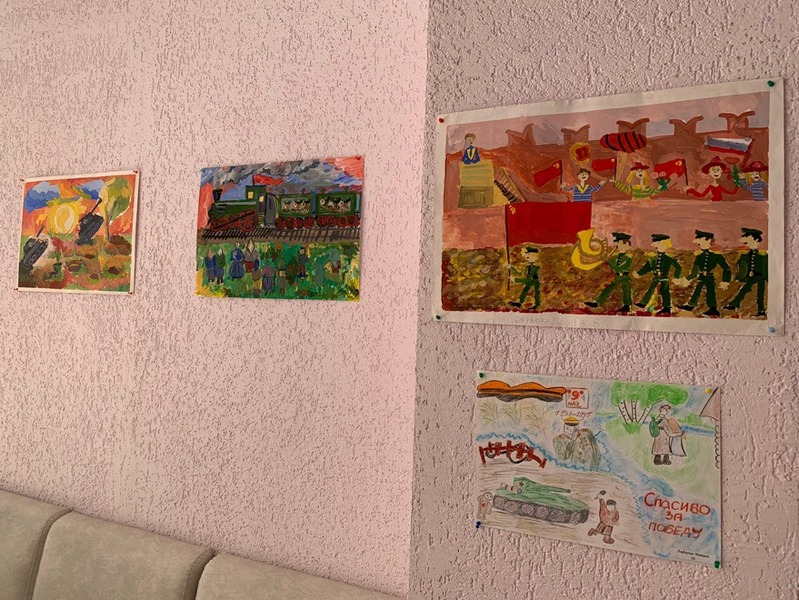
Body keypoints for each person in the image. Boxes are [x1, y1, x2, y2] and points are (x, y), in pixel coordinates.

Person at [677, 230, 731, 317]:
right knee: (697, 290)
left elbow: (726, 268)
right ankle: (691, 305)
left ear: (708, 240)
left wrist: (725, 280)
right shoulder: (699, 256)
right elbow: (695, 271)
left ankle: (713, 309)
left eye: (700, 240)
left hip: (710, 277)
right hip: (701, 276)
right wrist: (687, 279)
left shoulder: (716, 256)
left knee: (710, 292)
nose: (697, 242)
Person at [723, 227, 768, 317]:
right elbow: (742, 266)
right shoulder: (745, 254)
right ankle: (760, 310)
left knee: (758, 293)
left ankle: (736, 303)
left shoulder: (763, 254)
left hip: (760, 276)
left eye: (747, 237)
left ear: (755, 239)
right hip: (752, 276)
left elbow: (765, 268)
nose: (745, 240)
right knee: (754, 291)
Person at [634, 234, 682, 315]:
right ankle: (643, 303)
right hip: (656, 278)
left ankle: (666, 308)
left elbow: (678, 267)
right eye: (655, 244)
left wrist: (676, 277)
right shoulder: (653, 259)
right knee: (651, 290)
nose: (654, 245)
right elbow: (647, 267)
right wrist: (639, 273)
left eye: (657, 243)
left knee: (665, 292)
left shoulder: (668, 258)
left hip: (664, 278)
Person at [585, 232, 633, 313]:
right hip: (617, 277)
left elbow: (618, 267)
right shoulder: (616, 257)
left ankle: (627, 306)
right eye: (617, 243)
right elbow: (611, 266)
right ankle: (597, 302)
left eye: (619, 243)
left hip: (624, 277)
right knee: (608, 289)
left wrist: (608, 261)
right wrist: (604, 261)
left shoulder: (627, 258)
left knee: (626, 291)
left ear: (627, 245)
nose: (616, 245)